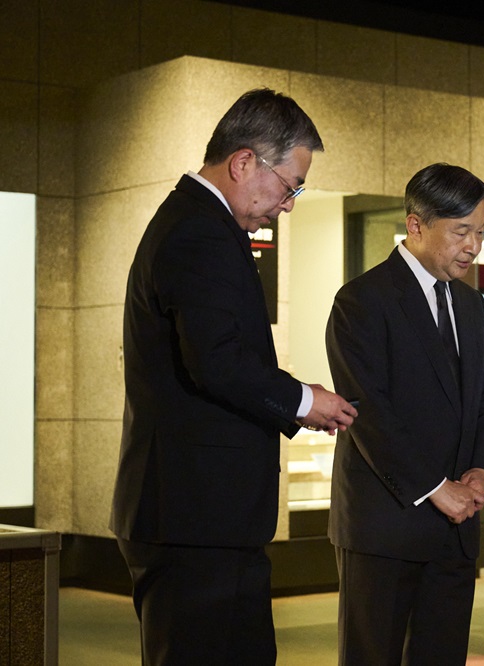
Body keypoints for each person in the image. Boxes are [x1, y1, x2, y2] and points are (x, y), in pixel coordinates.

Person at [110, 88, 357, 665]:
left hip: (202, 515)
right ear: (245, 162)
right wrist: (303, 400)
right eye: (290, 184)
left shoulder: (201, 227)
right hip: (192, 516)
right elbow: (217, 361)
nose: (291, 203)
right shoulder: (199, 233)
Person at [325, 162, 484, 665]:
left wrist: (479, 471)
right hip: (385, 526)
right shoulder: (362, 300)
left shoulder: (471, 306)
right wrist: (435, 487)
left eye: (481, 232)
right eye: (461, 231)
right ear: (416, 225)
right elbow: (368, 411)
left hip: (456, 528)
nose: (473, 246)